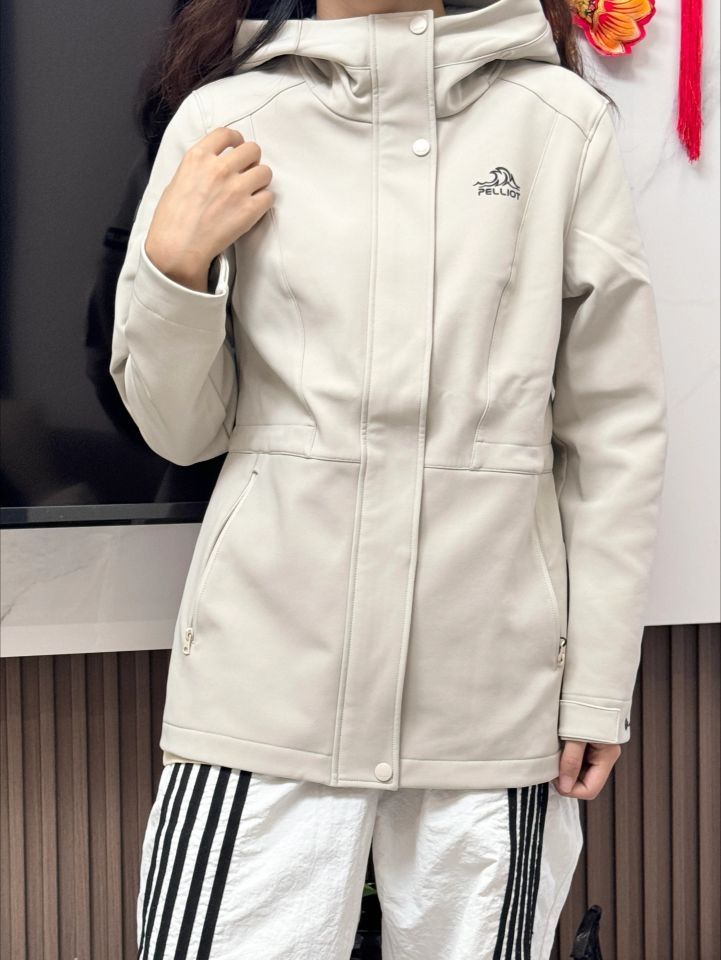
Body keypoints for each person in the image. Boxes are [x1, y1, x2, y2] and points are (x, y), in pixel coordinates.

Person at [109, 0, 668, 955]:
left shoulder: (558, 125)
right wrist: (174, 264)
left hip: (492, 697)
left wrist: (596, 684)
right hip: (263, 690)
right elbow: (182, 430)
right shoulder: (227, 119)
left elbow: (614, 429)